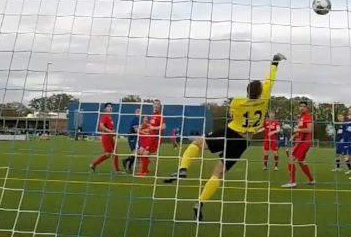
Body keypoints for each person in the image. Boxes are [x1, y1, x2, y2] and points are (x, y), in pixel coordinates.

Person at [165, 54, 286, 221]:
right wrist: (274, 63)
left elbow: (232, 113)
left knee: (197, 143)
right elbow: (270, 79)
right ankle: (200, 202)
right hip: (243, 141)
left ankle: (182, 169)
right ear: (260, 92)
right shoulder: (264, 98)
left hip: (230, 133)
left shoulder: (237, 102)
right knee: (219, 173)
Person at [283, 100, 316, 188]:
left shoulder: (307, 116)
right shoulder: (301, 118)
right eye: (301, 106)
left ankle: (292, 182)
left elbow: (309, 130)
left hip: (303, 143)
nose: (302, 108)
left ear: (307, 108)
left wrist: (297, 130)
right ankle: (311, 180)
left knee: (291, 159)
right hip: (301, 141)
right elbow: (302, 132)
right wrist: (295, 135)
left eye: (304, 106)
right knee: (300, 161)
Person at [135, 100, 165, 176]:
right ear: (153, 105)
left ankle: (143, 171)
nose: (156, 105)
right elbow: (151, 127)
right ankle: (146, 169)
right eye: (155, 104)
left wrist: (154, 128)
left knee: (145, 153)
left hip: (155, 138)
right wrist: (149, 129)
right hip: (150, 137)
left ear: (159, 106)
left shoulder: (160, 116)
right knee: (140, 151)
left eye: (158, 104)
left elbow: (163, 127)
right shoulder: (153, 115)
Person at [90, 103, 120, 172]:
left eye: (111, 107)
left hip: (110, 137)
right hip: (106, 137)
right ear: (105, 109)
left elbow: (108, 127)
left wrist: (112, 131)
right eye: (108, 107)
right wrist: (109, 131)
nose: (110, 108)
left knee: (116, 152)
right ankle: (94, 164)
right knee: (108, 154)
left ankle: (117, 169)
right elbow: (101, 126)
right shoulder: (105, 117)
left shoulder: (110, 118)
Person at [122, 107, 142, 173]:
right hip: (132, 137)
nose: (139, 114)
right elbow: (136, 130)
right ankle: (126, 161)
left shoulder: (139, 120)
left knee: (137, 152)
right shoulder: (134, 120)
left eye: (140, 112)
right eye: (138, 112)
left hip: (136, 138)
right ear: (136, 113)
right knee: (136, 152)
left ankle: (128, 165)